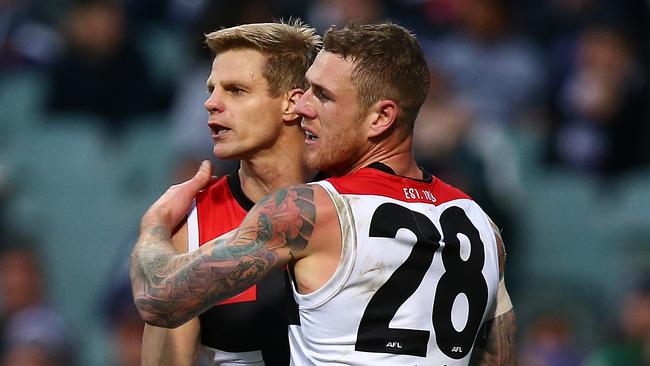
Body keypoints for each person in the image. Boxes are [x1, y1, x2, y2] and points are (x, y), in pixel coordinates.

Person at [131, 22, 516, 365]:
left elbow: (158, 296)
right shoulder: (484, 228)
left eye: (322, 95)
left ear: (381, 117)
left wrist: (153, 227)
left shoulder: (308, 211)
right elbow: (499, 356)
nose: (303, 106)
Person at [139, 21, 321, 365]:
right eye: (211, 89)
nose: (210, 103)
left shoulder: (353, 204)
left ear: (291, 103)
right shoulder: (190, 224)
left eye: (235, 90)